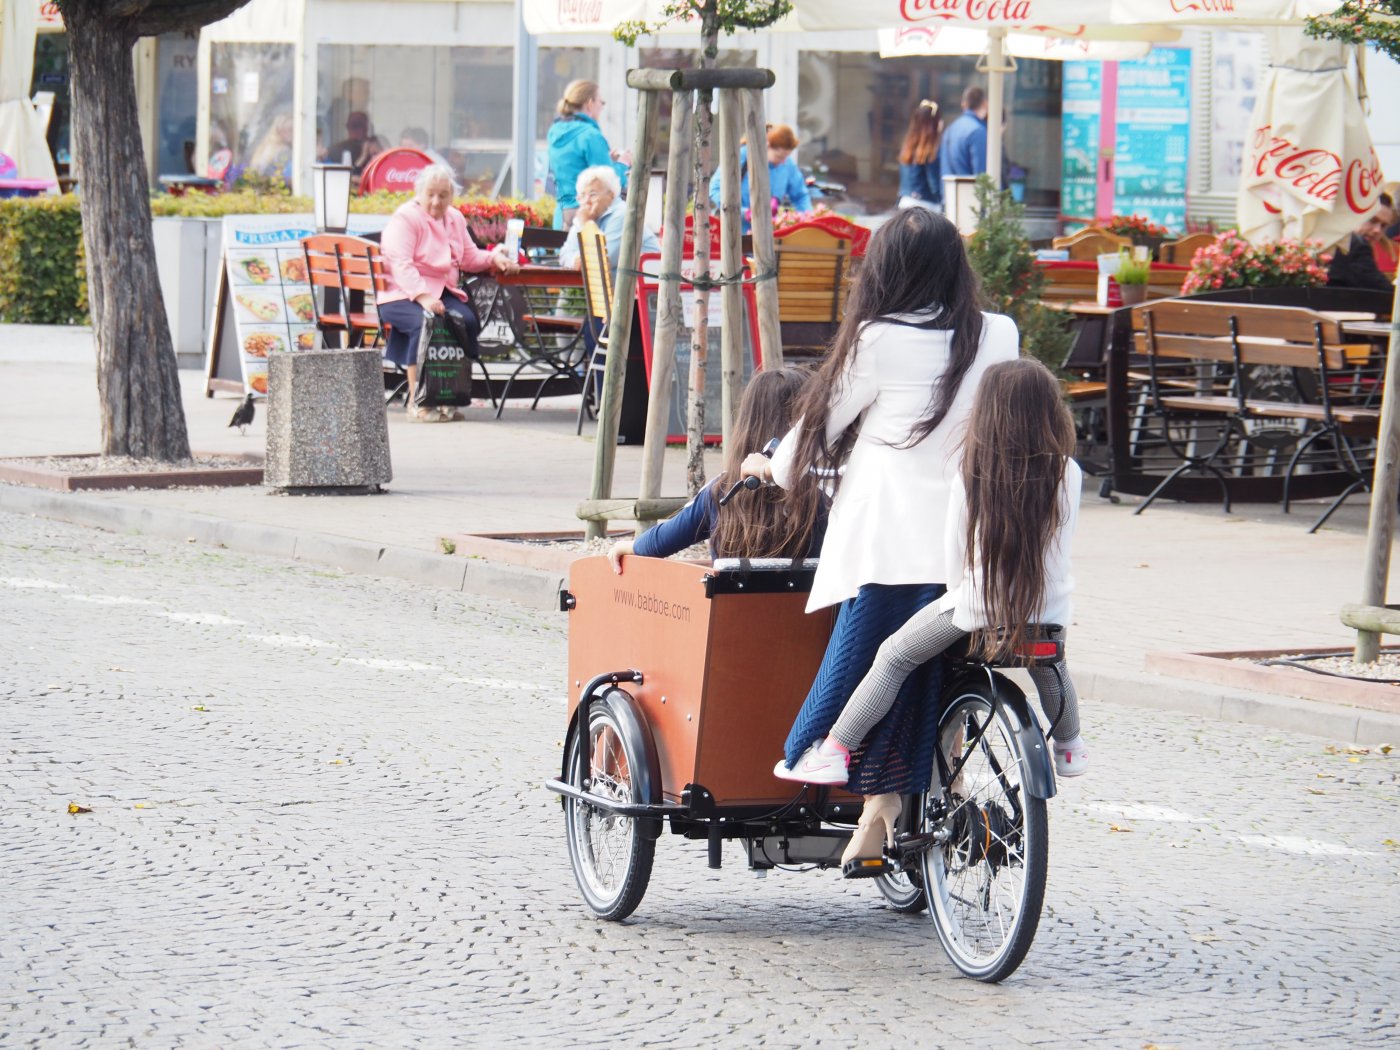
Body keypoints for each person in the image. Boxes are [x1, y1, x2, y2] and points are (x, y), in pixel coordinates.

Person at [740, 207, 1019, 863]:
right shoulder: (999, 334)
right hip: (977, 547)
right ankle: (886, 810)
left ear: (884, 272)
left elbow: (817, 430)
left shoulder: (878, 339)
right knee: (925, 660)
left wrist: (770, 466)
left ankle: (873, 800)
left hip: (893, 543)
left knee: (875, 665)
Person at [774, 358, 1089, 868]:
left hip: (972, 609)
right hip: (1046, 610)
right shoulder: (1069, 473)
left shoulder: (972, 471)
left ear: (988, 414)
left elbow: (952, 557)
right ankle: (1070, 746)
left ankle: (836, 747)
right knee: (1051, 664)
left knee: (894, 654)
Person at [609, 367, 824, 572]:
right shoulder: (824, 492)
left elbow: (660, 542)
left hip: (732, 610)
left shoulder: (721, 492)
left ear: (747, 425)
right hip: (815, 611)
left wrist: (630, 546)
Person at [377, 164, 519, 422]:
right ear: (419, 192)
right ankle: (418, 401)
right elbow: (401, 265)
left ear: (451, 196)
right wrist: (424, 298)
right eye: (430, 194)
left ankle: (447, 397)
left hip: (442, 291)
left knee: (466, 321)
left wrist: (494, 258)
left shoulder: (454, 218)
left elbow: (469, 256)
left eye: (443, 195)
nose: (436, 201)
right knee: (426, 324)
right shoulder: (406, 218)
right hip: (400, 293)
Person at [547, 80, 631, 229]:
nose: (602, 107)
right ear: (590, 103)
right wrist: (623, 164)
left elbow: (573, 168)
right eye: (601, 102)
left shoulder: (554, 132)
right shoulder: (590, 136)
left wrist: (608, 160)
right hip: (587, 216)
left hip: (561, 216)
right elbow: (609, 182)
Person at [558, 166, 660, 282]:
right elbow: (564, 255)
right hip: (610, 289)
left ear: (611, 195)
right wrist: (576, 260)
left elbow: (602, 261)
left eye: (593, 194)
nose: (587, 201)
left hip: (643, 291)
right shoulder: (584, 216)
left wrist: (587, 225)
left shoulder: (622, 215)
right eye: (582, 196)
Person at [708, 124, 812, 230]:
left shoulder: (787, 165)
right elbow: (715, 189)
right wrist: (743, 212)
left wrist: (806, 218)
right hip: (733, 231)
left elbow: (800, 196)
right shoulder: (741, 156)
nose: (783, 162)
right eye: (779, 157)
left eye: (786, 157)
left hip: (766, 233)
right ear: (767, 146)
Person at [1327, 197, 1396, 292]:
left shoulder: (1330, 237)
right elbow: (1381, 288)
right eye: (1372, 220)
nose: (1377, 230)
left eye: (1383, 226)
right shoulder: (1357, 245)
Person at [897, 100, 943, 212]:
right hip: (926, 207)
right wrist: (942, 201)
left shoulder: (907, 147)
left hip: (905, 203)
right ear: (934, 123)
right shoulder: (930, 150)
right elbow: (934, 185)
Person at [940, 85, 988, 178]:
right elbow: (981, 175)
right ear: (985, 103)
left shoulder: (950, 129)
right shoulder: (978, 131)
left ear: (964, 104)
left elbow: (944, 169)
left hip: (949, 190)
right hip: (968, 191)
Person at [327, 111, 384, 176]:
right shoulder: (337, 150)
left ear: (367, 128)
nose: (358, 130)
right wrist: (363, 156)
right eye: (354, 126)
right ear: (348, 127)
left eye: (361, 126)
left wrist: (380, 154)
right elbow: (346, 177)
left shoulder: (374, 145)